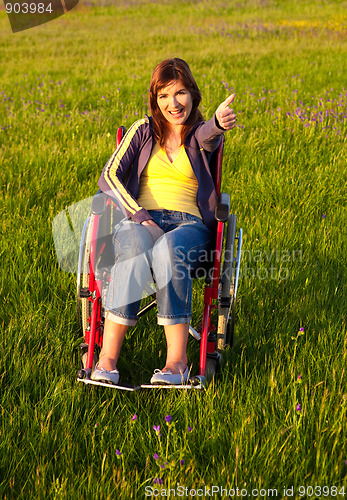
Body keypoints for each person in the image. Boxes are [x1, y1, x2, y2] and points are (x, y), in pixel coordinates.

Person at [91, 58, 236, 385]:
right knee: (133, 243)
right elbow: (109, 176)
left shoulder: (199, 134)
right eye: (164, 95)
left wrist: (218, 122)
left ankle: (176, 364)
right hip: (141, 221)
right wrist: (142, 219)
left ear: (192, 95)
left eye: (181, 93)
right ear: (154, 100)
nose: (174, 104)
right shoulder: (142, 131)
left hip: (189, 227)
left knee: (170, 248)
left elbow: (210, 134)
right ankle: (106, 361)